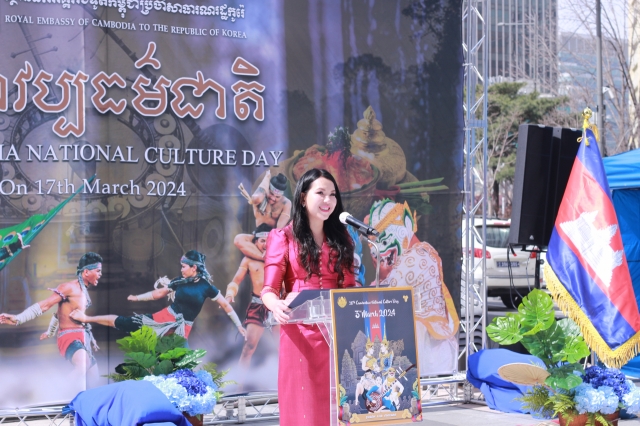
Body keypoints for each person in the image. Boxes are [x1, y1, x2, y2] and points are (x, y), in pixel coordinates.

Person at [261, 168, 356, 426]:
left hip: (336, 333)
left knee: (337, 405)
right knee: (303, 406)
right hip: (299, 332)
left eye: (333, 195)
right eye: (321, 193)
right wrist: (274, 305)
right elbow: (268, 290)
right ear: (303, 198)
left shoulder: (343, 238)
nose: (328, 201)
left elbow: (349, 287)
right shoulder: (282, 237)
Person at [69, 250, 246, 341]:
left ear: (194, 268)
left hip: (182, 329)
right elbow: (159, 293)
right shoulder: (179, 281)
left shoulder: (207, 287)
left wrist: (238, 326)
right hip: (162, 318)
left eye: (184, 266)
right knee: (126, 323)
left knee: (176, 357)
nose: (181, 269)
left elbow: (226, 306)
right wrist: (137, 298)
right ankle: (87, 318)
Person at [0, 252, 102, 376]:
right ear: (86, 272)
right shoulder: (69, 287)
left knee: (94, 376)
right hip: (70, 337)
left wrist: (50, 331)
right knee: (82, 365)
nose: (100, 275)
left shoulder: (84, 291)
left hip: (83, 338)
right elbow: (45, 304)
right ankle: (62, 392)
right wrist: (18, 319)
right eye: (98, 271)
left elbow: (59, 314)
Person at [225, 223, 279, 372]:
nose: (266, 244)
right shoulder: (248, 260)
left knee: (283, 348)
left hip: (277, 306)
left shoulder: (280, 258)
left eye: (269, 241)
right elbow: (236, 280)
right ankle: (240, 385)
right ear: (255, 242)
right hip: (257, 306)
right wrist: (230, 293)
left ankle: (283, 385)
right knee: (248, 347)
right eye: (262, 241)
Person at [235, 171, 292, 260]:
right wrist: (267, 177)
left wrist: (271, 246)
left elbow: (279, 229)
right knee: (238, 239)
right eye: (271, 194)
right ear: (267, 189)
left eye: (277, 197)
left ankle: (267, 256)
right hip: (258, 236)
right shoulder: (260, 197)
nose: (273, 198)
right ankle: (265, 258)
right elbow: (256, 198)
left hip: (274, 238)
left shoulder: (286, 203)